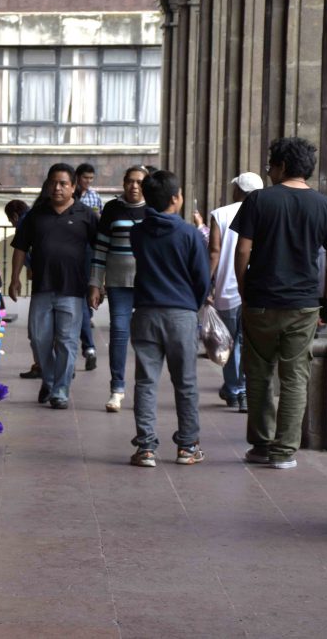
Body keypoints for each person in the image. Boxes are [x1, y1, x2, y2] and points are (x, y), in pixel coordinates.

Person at [232, 137, 327, 470]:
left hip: (261, 300)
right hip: (303, 304)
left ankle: (261, 445)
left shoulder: (259, 199)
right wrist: (325, 300)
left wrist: (245, 291)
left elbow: (242, 251)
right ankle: (285, 451)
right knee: (295, 376)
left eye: (271, 164)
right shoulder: (323, 205)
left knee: (258, 373)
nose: (269, 171)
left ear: (282, 166)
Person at [128, 170, 209, 467]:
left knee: (146, 383)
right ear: (176, 199)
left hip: (146, 312)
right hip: (181, 314)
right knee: (185, 383)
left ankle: (146, 448)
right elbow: (202, 278)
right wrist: (192, 305)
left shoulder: (137, 232)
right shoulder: (189, 233)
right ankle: (187, 447)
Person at [9, 164, 97, 409]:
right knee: (39, 338)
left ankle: (60, 391)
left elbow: (100, 250)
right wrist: (14, 278)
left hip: (73, 290)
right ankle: (49, 380)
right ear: (48, 185)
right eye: (54, 183)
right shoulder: (35, 215)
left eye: (63, 184)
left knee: (67, 342)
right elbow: (20, 247)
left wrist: (97, 283)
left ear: (73, 187)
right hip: (42, 288)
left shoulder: (86, 215)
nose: (57, 188)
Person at [88, 166, 149, 412]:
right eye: (130, 181)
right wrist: (95, 283)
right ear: (123, 184)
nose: (134, 186)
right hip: (117, 282)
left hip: (147, 284)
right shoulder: (112, 209)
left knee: (146, 337)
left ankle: (145, 389)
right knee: (119, 333)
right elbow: (100, 249)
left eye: (139, 182)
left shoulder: (154, 208)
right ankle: (117, 390)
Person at [208, 172, 264, 412]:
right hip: (255, 289)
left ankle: (233, 390)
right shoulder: (264, 212)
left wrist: (205, 283)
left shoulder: (220, 214)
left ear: (238, 190)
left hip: (227, 289)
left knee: (228, 342)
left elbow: (214, 251)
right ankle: (244, 390)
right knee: (249, 342)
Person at [5, 199, 41, 379]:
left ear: (14, 216)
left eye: (10, 221)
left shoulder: (24, 225)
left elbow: (23, 250)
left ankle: (41, 365)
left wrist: (15, 279)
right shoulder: (37, 218)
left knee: (37, 326)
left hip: (43, 280)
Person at [74, 163, 100, 371]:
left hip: (86, 252)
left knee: (81, 301)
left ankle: (88, 347)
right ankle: (88, 347)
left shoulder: (94, 198)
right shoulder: (68, 195)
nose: (88, 182)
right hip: (68, 255)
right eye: (85, 178)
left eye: (91, 179)